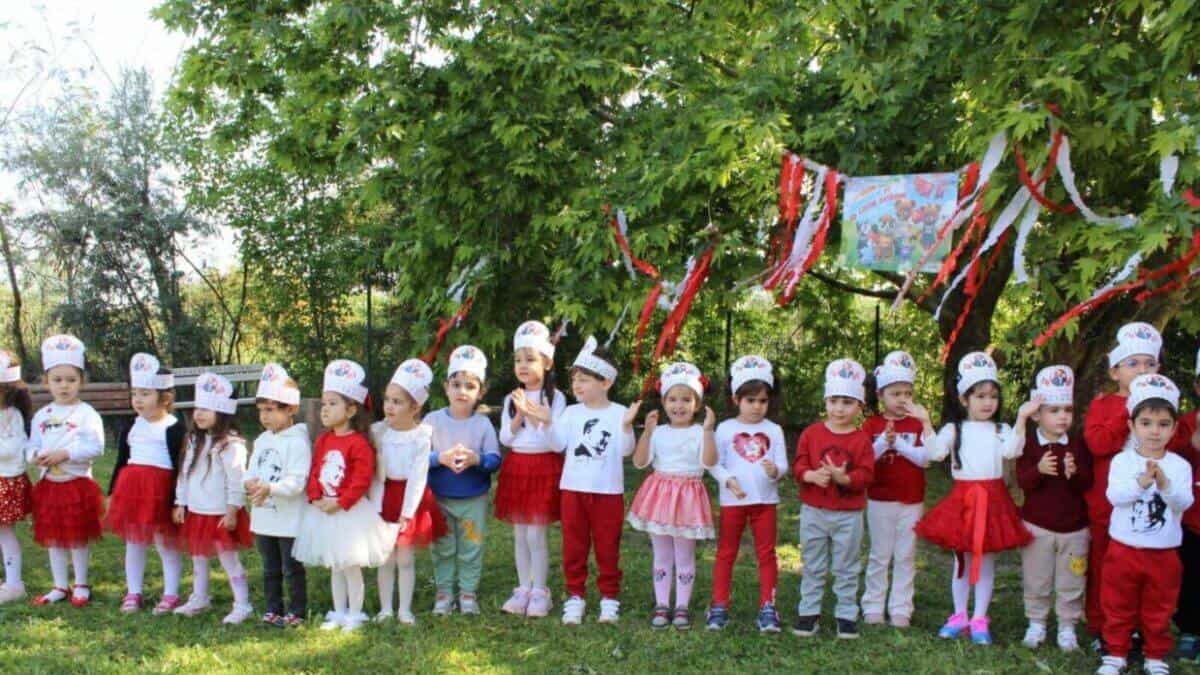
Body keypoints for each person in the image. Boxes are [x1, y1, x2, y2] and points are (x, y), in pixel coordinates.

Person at [915, 351, 1031, 645]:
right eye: (979, 396)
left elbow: (1012, 450)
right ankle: (958, 615)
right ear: (964, 399)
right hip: (964, 501)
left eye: (992, 396)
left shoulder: (1001, 429)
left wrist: (1021, 418)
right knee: (962, 563)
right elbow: (936, 453)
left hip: (993, 500)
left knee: (987, 561)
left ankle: (980, 617)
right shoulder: (955, 429)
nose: (987, 402)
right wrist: (926, 423)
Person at [1096, 374, 1193, 675]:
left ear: (1174, 428)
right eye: (1147, 423)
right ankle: (1116, 653)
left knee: (1159, 607)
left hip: (1163, 553)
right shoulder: (1122, 462)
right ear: (1132, 425)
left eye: (1163, 424)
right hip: (1124, 550)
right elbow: (1115, 496)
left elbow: (1183, 503)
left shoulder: (1179, 466)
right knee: (1117, 603)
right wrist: (1141, 483)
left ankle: (1155, 655)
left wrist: (1164, 484)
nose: (1154, 431)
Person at [292, 359, 396, 632]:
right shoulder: (324, 439)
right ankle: (338, 612)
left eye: (332, 403)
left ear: (351, 409)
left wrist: (340, 501)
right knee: (335, 566)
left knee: (350, 565)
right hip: (324, 511)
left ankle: (355, 613)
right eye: (324, 403)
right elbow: (315, 470)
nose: (325, 409)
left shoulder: (359, 443)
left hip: (348, 513)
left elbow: (362, 478)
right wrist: (315, 497)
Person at [550, 337, 637, 625]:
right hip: (573, 491)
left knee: (607, 546)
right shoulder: (571, 413)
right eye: (575, 379)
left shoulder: (619, 413)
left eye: (585, 379)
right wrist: (544, 421)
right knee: (573, 546)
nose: (577, 385)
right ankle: (575, 595)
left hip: (607, 492)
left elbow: (626, 451)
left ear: (606, 383)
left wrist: (626, 427)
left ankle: (609, 597)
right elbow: (556, 443)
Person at [627, 361, 716, 631]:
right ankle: (662, 603)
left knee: (684, 553)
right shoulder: (660, 432)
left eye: (686, 400)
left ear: (697, 404)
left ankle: (682, 607)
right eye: (672, 399)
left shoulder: (699, 432)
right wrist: (647, 432)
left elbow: (710, 462)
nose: (679, 406)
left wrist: (709, 431)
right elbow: (641, 462)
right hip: (660, 495)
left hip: (688, 497)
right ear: (664, 402)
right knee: (662, 553)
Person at [791, 359, 875, 640]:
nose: (840, 408)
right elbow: (799, 464)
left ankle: (846, 614)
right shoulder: (811, 434)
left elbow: (866, 474)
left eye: (848, 402)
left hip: (848, 513)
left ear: (860, 407)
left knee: (846, 565)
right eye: (835, 401)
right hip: (814, 510)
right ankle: (809, 612)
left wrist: (844, 479)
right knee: (813, 562)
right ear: (826, 401)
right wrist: (810, 476)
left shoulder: (862, 440)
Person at [706, 356, 787, 633]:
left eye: (762, 401)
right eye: (750, 400)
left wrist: (775, 470)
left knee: (767, 554)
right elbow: (713, 463)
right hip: (733, 503)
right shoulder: (726, 429)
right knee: (726, 553)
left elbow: (783, 465)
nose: (756, 406)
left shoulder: (773, 430)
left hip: (765, 503)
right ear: (735, 399)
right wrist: (728, 481)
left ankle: (768, 606)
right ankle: (719, 606)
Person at [1015, 365, 1091, 652]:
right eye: (1054, 410)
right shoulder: (1028, 445)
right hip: (1038, 525)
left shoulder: (1078, 443)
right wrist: (1038, 470)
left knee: (1072, 579)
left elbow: (1087, 482)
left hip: (1074, 528)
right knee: (1037, 577)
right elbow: (1023, 480)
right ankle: (1036, 622)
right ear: (1037, 415)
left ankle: (1067, 625)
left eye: (1067, 410)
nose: (1062, 417)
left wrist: (1075, 474)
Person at [28, 335, 105, 608]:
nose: (64, 386)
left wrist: (66, 454)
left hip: (76, 483)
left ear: (80, 382)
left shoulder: (87, 413)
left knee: (76, 535)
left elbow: (96, 446)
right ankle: (60, 584)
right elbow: (32, 446)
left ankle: (81, 582)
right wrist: (36, 456)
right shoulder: (41, 415)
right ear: (46, 381)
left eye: (70, 380)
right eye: (57, 379)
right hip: (50, 485)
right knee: (54, 536)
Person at [106, 353, 186, 614]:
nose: (138, 400)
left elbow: (180, 464)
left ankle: (171, 593)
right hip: (132, 490)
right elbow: (122, 459)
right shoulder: (131, 424)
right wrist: (112, 492)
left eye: (145, 393)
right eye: (135, 394)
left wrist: (177, 500)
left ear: (165, 397)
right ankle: (134, 591)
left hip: (161, 490)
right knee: (134, 541)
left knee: (166, 542)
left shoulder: (174, 426)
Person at [496, 322, 565, 618]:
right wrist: (518, 415)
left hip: (544, 467)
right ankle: (523, 587)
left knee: (537, 535)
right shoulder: (511, 399)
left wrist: (538, 417)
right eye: (518, 360)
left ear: (547, 363)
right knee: (520, 534)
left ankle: (541, 591)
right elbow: (505, 438)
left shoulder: (556, 398)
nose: (523, 366)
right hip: (517, 467)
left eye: (530, 359)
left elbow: (555, 442)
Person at [172, 372, 254, 624]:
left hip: (220, 513)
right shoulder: (194, 440)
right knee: (198, 557)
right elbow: (184, 474)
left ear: (222, 411)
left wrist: (232, 510)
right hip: (198, 511)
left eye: (206, 408)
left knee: (228, 559)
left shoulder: (232, 446)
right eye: (197, 407)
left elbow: (236, 482)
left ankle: (242, 603)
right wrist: (180, 502)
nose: (199, 413)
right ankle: (200, 596)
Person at [860, 351, 934, 629]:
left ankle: (901, 607)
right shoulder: (872, 425)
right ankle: (873, 605)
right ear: (881, 395)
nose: (903, 399)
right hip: (880, 499)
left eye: (908, 392)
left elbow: (926, 458)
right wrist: (882, 443)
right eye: (895, 393)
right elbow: (865, 459)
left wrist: (898, 444)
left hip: (912, 500)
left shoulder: (918, 423)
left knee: (905, 554)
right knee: (880, 554)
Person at [426, 345, 501, 616]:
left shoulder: (482, 425)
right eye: (456, 384)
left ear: (480, 392)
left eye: (469, 386)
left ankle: (468, 593)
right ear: (446, 387)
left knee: (472, 546)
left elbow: (495, 460)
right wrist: (439, 459)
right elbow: (418, 457)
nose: (462, 391)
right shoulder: (432, 421)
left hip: (473, 499)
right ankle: (444, 593)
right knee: (443, 547)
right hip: (441, 497)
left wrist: (476, 460)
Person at [371, 358, 447, 625]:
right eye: (387, 400)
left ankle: (404, 608)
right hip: (383, 496)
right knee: (385, 557)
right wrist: (375, 505)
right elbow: (375, 470)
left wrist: (407, 512)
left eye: (397, 401)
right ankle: (385, 608)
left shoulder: (420, 437)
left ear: (415, 407)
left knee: (404, 557)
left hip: (407, 499)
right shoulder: (378, 432)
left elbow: (417, 478)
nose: (389, 406)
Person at [244, 363, 311, 627]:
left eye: (271, 410)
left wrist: (270, 488)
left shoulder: (297, 442)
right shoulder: (261, 440)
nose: (264, 417)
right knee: (270, 568)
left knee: (292, 568)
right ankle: (273, 608)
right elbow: (250, 471)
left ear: (290, 409)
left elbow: (297, 482)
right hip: (264, 517)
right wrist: (249, 484)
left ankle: (297, 611)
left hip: (289, 520)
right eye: (261, 410)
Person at [0, 350, 33, 604]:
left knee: (5, 533)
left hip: (5, 481)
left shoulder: (12, 416)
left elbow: (13, 450)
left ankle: (14, 583)